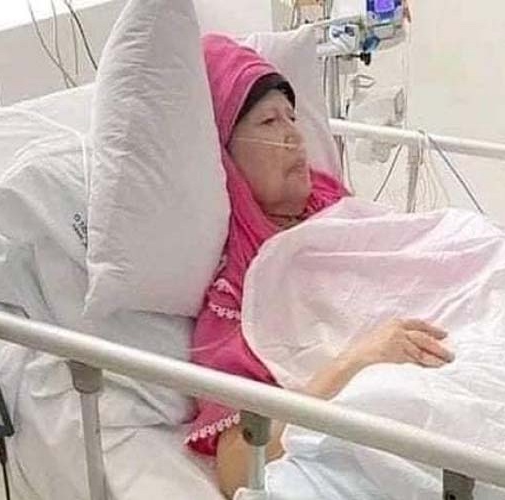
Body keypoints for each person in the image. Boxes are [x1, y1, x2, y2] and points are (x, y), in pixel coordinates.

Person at [189, 35, 454, 499]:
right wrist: (355, 360)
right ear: (224, 153)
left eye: (293, 117)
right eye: (269, 121)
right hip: (406, 405)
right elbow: (239, 465)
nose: (294, 135)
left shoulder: (344, 216)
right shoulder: (241, 296)